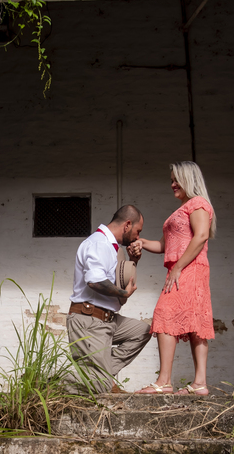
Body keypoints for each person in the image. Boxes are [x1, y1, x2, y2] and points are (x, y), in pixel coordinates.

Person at [133, 161, 216, 395]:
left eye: (175, 180)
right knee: (193, 322)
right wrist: (140, 242)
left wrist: (179, 267)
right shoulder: (184, 208)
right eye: (171, 180)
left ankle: (164, 382)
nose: (172, 185)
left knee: (166, 314)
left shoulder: (198, 204)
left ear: (188, 179)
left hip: (189, 268)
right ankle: (199, 384)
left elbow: (200, 237)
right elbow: (163, 245)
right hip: (184, 268)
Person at [67, 205, 152, 393]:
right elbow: (95, 281)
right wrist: (124, 294)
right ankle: (46, 383)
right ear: (127, 224)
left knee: (143, 331)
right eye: (138, 231)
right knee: (101, 386)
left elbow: (118, 281)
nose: (138, 237)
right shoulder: (99, 243)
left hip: (108, 319)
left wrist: (132, 262)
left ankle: (100, 376)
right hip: (89, 319)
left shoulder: (113, 248)